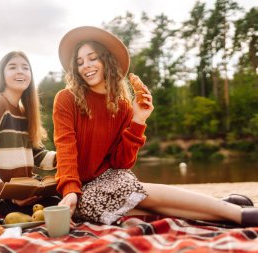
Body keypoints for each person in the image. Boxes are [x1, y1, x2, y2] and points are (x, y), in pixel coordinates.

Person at [53, 26, 257, 226]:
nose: (85, 65)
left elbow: (121, 162)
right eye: (79, 62)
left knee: (132, 196)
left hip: (113, 179)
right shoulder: (66, 99)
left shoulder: (123, 106)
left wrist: (138, 120)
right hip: (80, 191)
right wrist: (70, 190)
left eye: (92, 57)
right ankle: (232, 212)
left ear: (106, 60)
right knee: (131, 202)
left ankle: (227, 211)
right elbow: (65, 147)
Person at [0, 51, 60, 217]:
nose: (20, 71)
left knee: (65, 200)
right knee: (57, 208)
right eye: (12, 67)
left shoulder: (23, 112)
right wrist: (7, 194)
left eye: (25, 68)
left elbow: (38, 155)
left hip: (21, 195)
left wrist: (69, 156)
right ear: (2, 75)